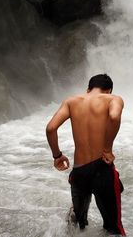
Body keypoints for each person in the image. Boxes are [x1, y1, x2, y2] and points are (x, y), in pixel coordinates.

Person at [45, 74, 126, 236]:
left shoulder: (71, 101)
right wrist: (107, 149)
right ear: (109, 90)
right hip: (102, 169)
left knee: (77, 223)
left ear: (88, 89)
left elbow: (50, 128)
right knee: (113, 228)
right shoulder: (113, 99)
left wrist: (57, 155)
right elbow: (114, 116)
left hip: (79, 172)